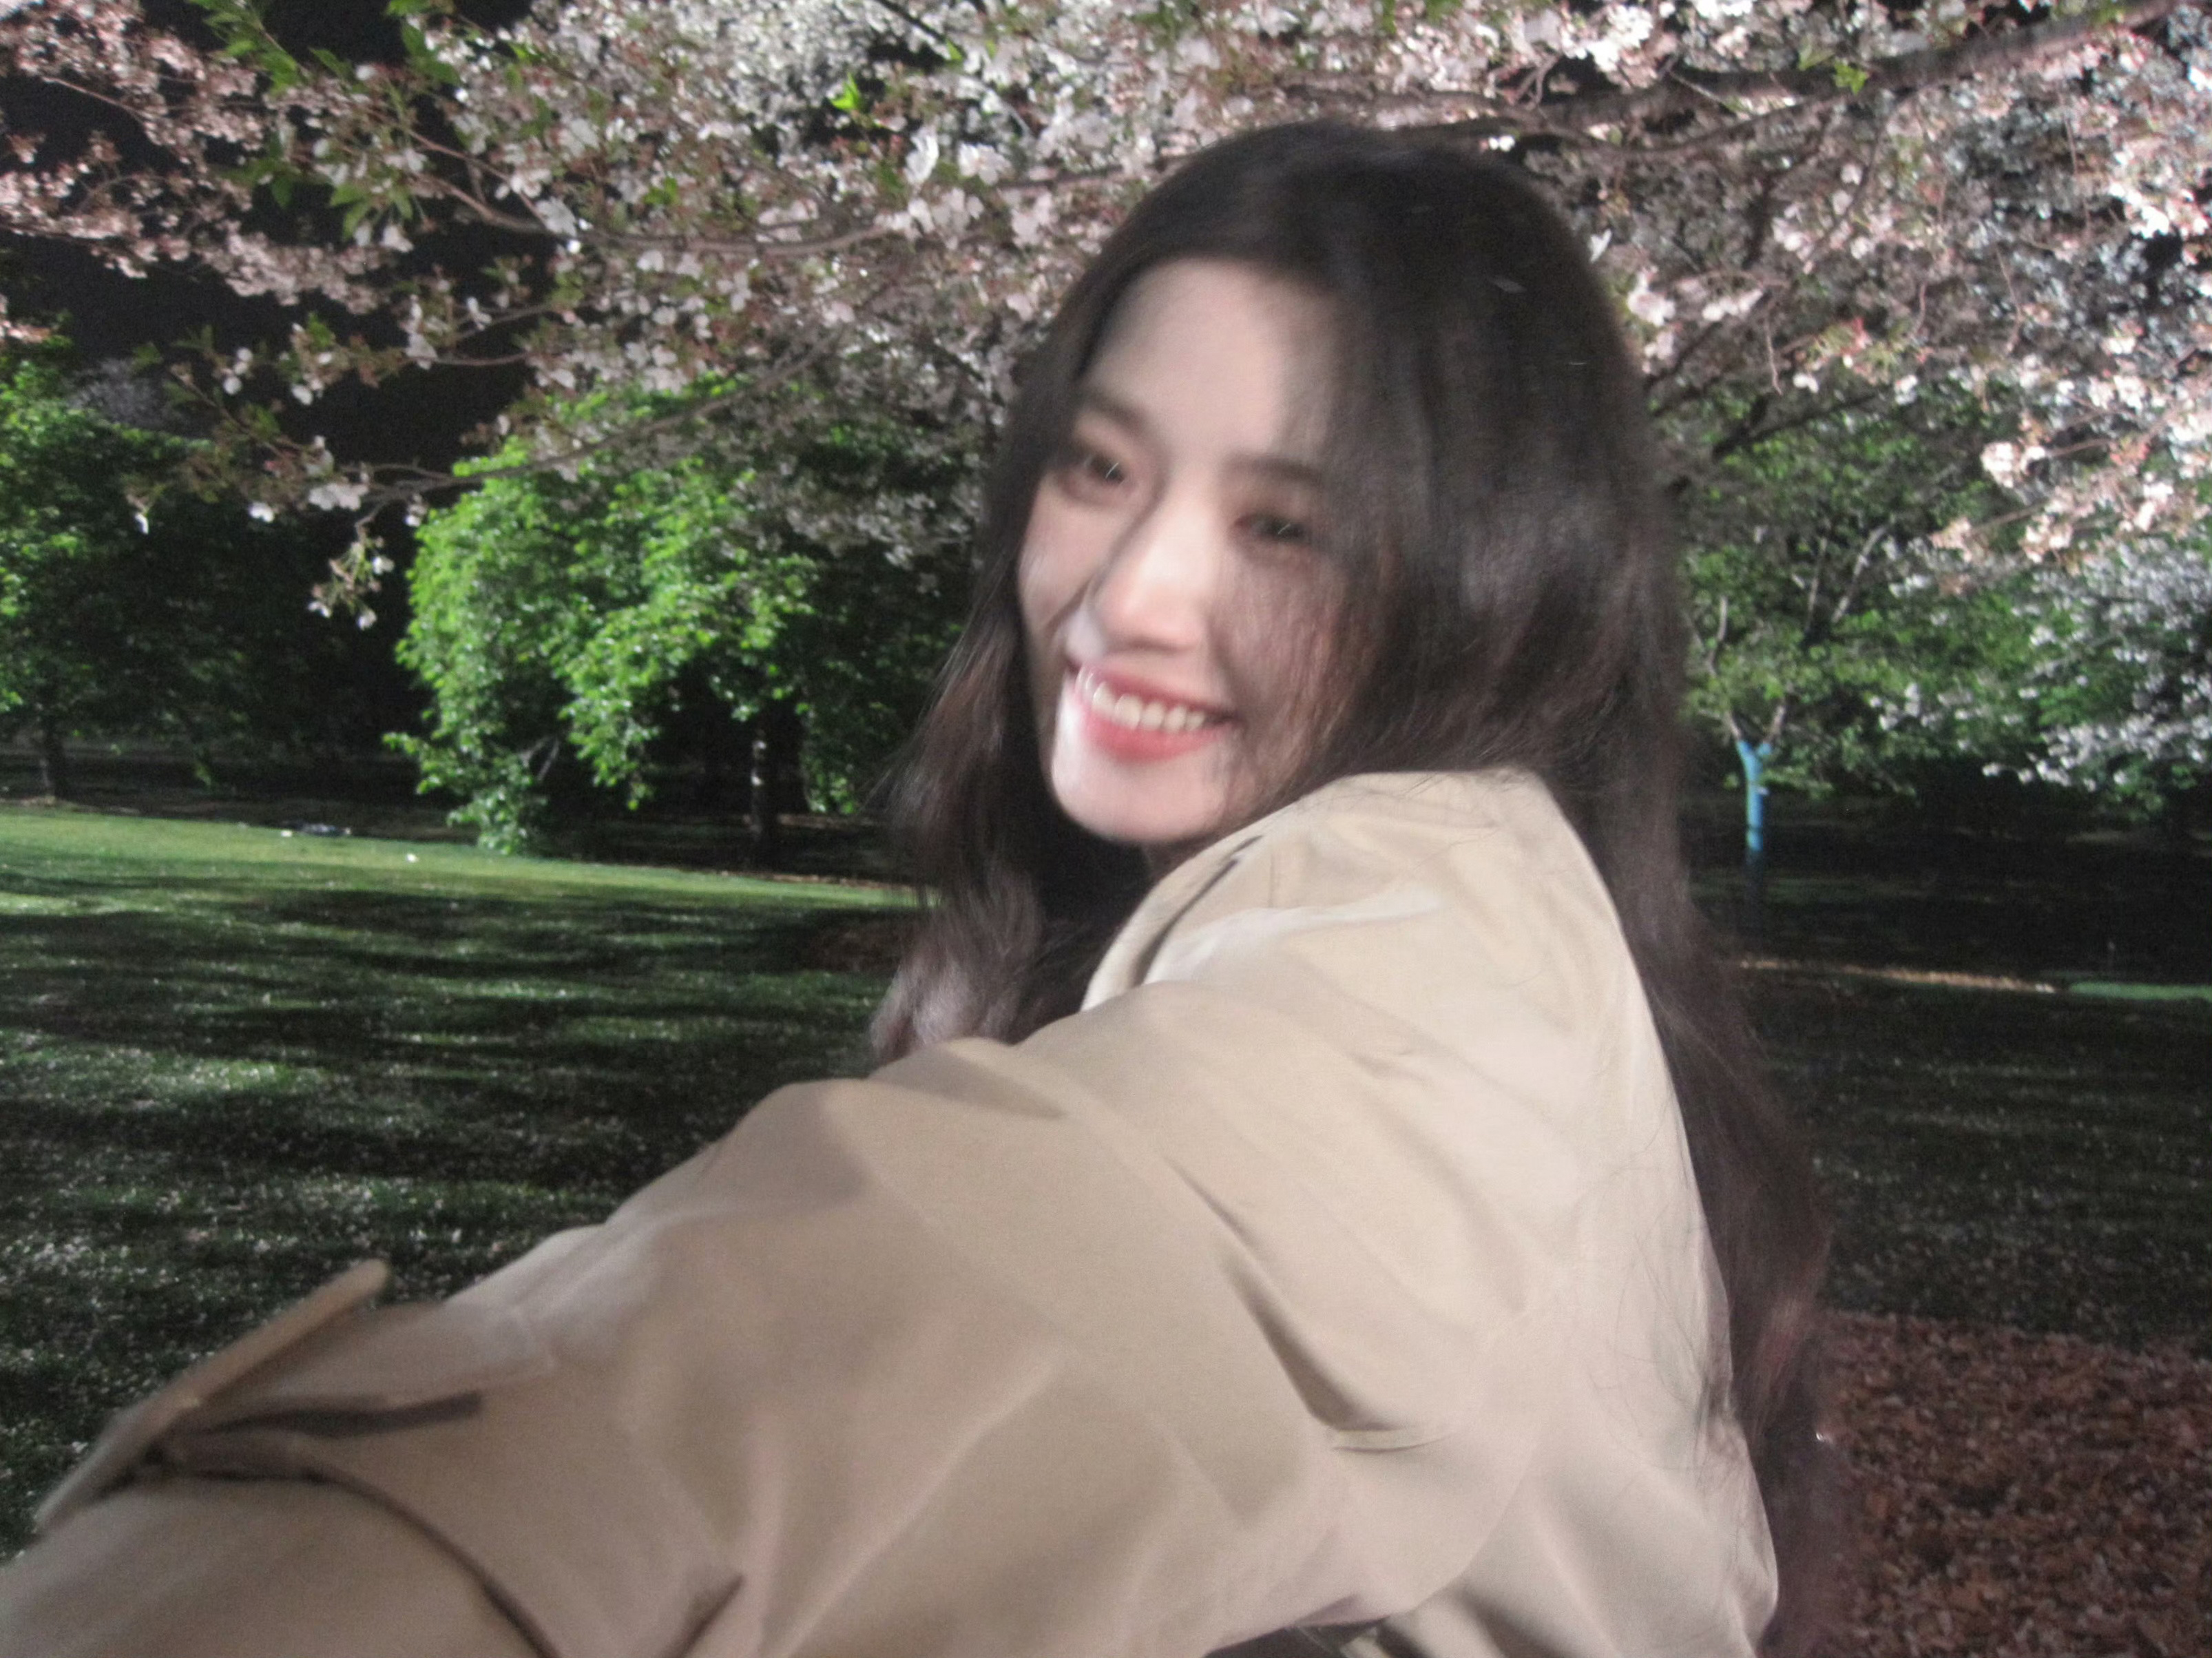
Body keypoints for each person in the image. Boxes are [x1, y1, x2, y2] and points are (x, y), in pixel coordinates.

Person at [0, 121, 1838, 1658]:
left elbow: (1053, 1272)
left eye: (1284, 524)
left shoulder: (1432, 951)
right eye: (1101, 467)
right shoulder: (1497, 903)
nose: (1131, 596)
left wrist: (315, 1572)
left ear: (1499, 582)